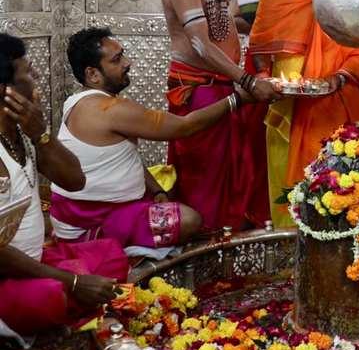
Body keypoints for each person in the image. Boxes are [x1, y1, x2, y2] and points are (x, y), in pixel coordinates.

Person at [50, 27, 255, 251]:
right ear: (92, 74)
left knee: (170, 195)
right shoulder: (107, 109)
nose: (127, 63)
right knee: (190, 220)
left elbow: (124, 158)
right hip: (91, 220)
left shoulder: (78, 100)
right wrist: (238, 99)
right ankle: (100, 244)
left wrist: (157, 190)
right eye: (117, 59)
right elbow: (186, 126)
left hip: (88, 211)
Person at [249, 0, 359, 226]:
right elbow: (260, 40)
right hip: (288, 103)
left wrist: (341, 76)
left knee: (338, 176)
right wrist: (263, 75)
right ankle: (287, 245)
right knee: (290, 180)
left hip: (338, 100)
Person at [161, 0, 281, 231]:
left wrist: (268, 34)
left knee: (230, 170)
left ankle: (226, 236)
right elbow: (201, 44)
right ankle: (204, 241)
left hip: (222, 84)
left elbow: (224, 25)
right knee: (205, 172)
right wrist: (247, 81)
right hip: (199, 91)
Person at [0, 33, 128, 336]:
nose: (36, 78)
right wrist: (70, 281)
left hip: (33, 261)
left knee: (112, 256)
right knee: (52, 296)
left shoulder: (22, 137)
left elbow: (74, 180)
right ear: (5, 92)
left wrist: (41, 135)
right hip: (6, 276)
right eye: (27, 73)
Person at [233, 0, 304, 227]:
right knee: (257, 133)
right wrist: (260, 28)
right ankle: (261, 209)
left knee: (299, 134)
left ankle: (298, 204)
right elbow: (236, 17)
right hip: (260, 60)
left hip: (300, 62)